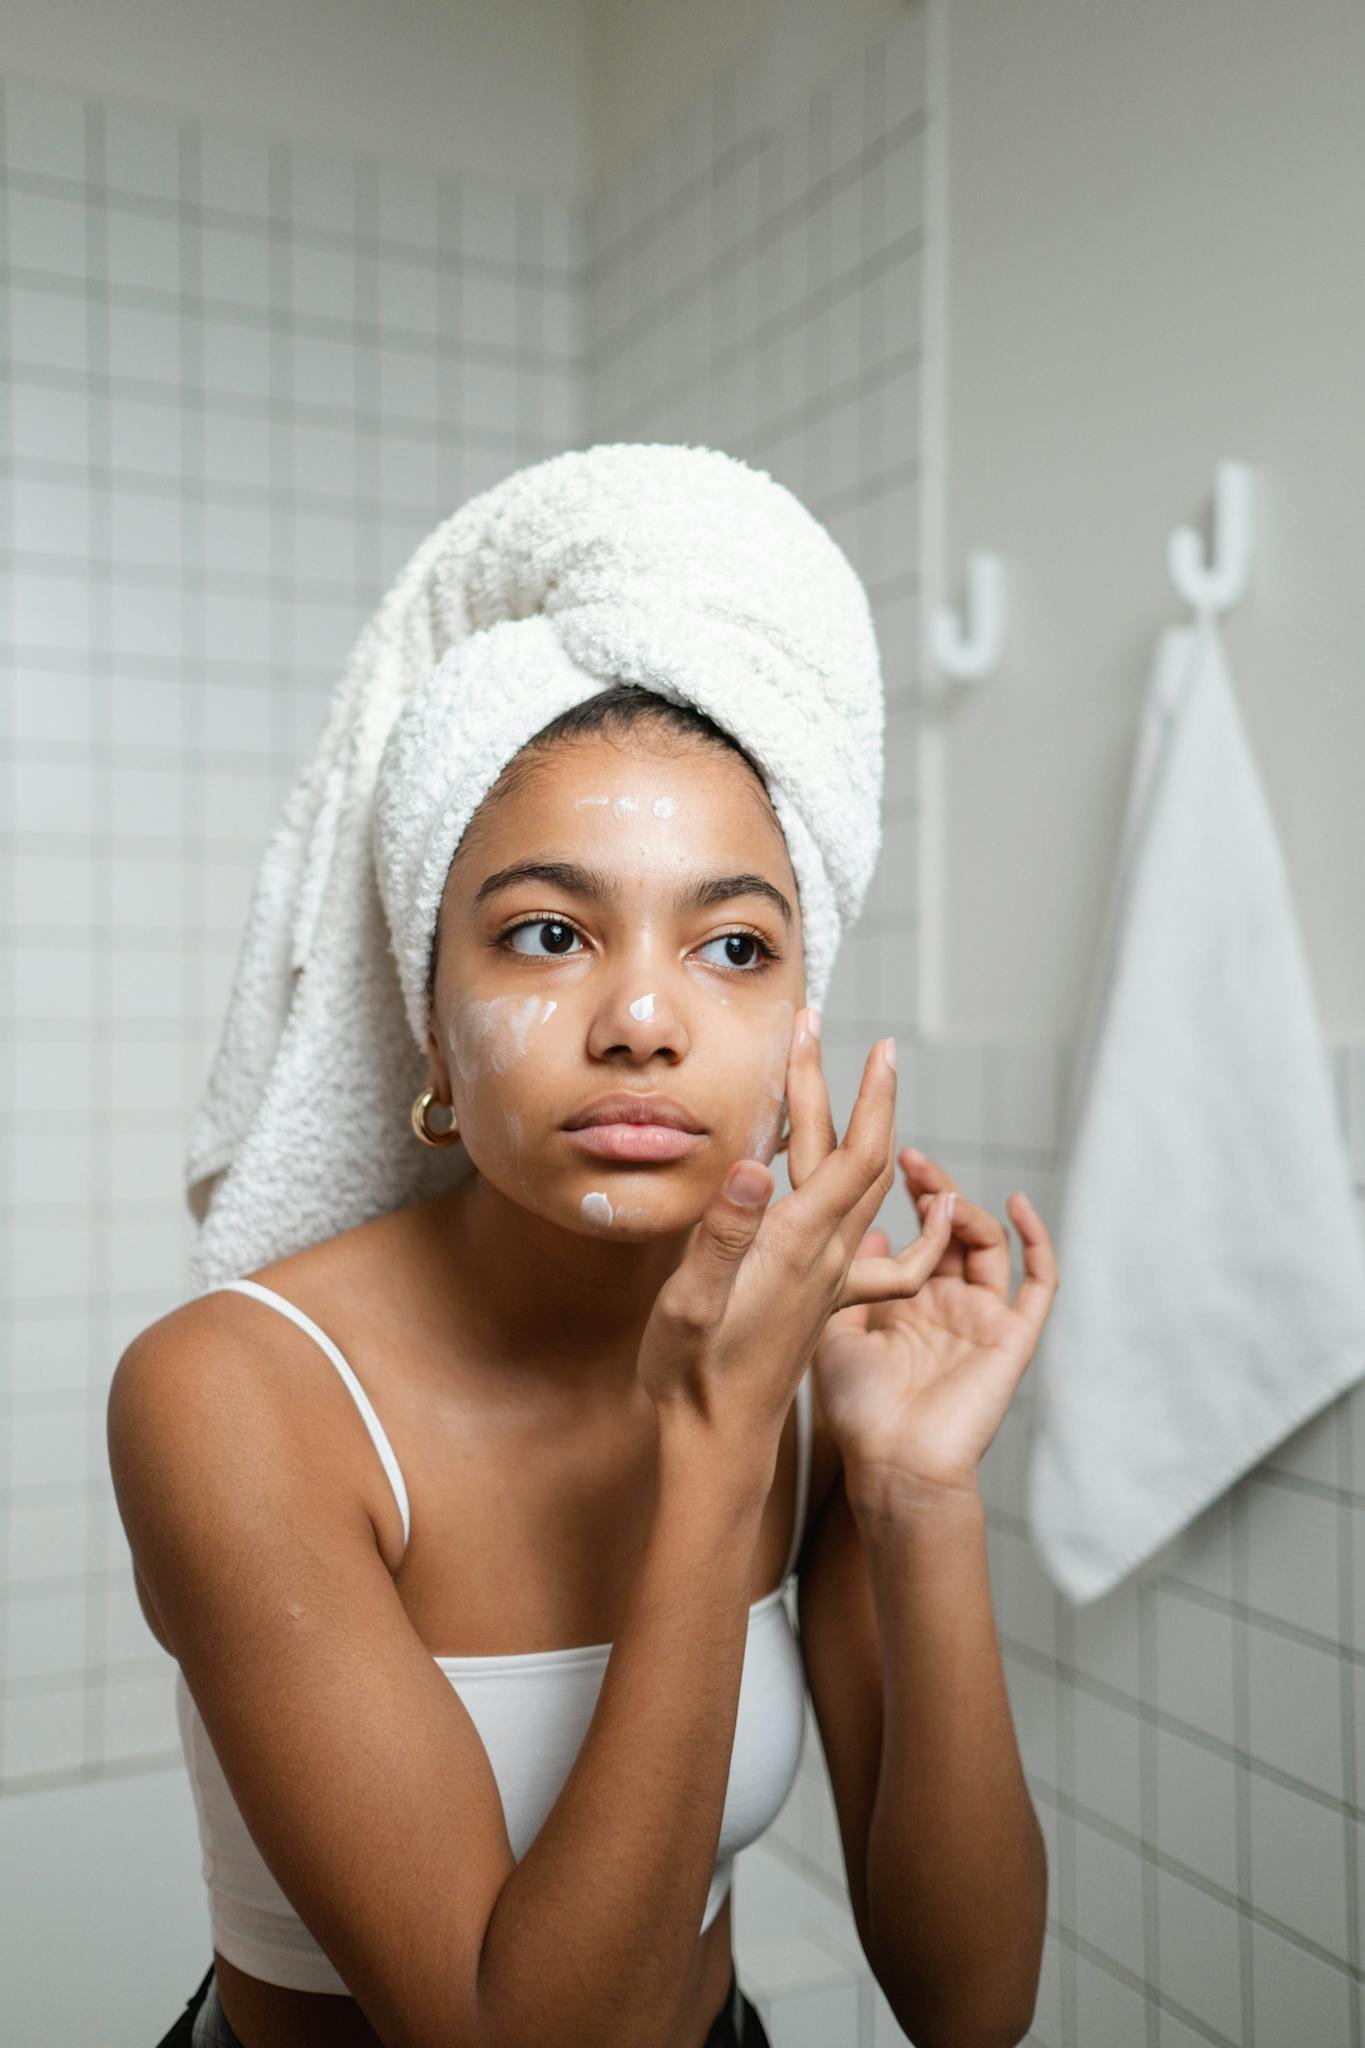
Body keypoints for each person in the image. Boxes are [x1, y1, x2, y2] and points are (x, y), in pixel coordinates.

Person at [112, 444, 1056, 2048]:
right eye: (547, 935)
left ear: (794, 1022)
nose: (638, 1019)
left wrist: (910, 1488)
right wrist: (708, 1437)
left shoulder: (808, 1377)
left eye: (732, 947)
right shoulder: (234, 1396)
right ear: (427, 1018)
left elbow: (971, 2009)